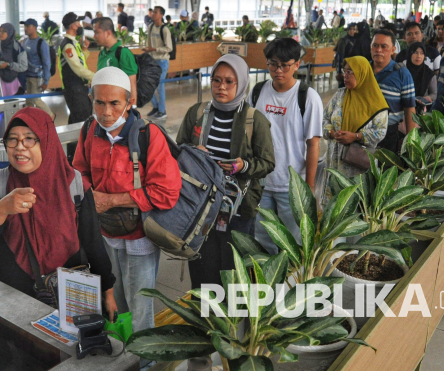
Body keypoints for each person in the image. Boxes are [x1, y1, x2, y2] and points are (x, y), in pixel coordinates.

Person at [0, 108, 116, 312]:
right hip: (15, 296)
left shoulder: (74, 184)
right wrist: (2, 209)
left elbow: (93, 244)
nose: (20, 147)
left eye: (29, 139)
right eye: (13, 140)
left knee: (70, 342)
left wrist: (108, 292)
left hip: (71, 296)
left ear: (47, 141)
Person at [72, 67, 181, 339]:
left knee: (140, 308)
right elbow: (78, 171)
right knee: (116, 304)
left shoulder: (148, 136)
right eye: (99, 102)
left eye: (114, 103)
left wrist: (112, 200)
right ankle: (123, 360)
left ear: (129, 102)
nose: (106, 111)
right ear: (91, 99)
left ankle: (146, 367)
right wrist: (89, 194)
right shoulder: (89, 131)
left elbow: (166, 192)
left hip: (139, 238)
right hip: (106, 236)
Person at [176, 55, 275, 289]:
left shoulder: (254, 120)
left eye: (229, 82)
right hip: (201, 209)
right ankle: (204, 319)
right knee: (202, 267)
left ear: (241, 83)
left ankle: (232, 323)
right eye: (217, 80)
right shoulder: (197, 113)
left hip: (238, 211)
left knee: (233, 270)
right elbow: (177, 151)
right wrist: (192, 151)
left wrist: (244, 166)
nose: (222, 87)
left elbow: (267, 162)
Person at [250, 38, 323, 255]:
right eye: (273, 64)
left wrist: (308, 187)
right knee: (262, 243)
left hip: (292, 188)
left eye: (284, 65)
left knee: (291, 245)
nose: (278, 70)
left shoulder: (307, 97)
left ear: (297, 64)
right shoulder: (258, 92)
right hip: (262, 184)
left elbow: (313, 144)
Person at [320, 55, 388, 202]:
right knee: (333, 205)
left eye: (350, 72)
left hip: (357, 164)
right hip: (334, 159)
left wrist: (356, 136)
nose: (346, 76)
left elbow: (381, 130)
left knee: (354, 204)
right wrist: (331, 132)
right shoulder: (340, 95)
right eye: (345, 71)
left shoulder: (375, 102)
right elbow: (325, 117)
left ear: (362, 73)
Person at [371, 29, 416, 153]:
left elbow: (409, 110)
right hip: (362, 134)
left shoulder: (402, 74)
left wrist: (410, 143)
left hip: (388, 135)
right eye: (375, 45)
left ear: (393, 50)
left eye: (384, 46)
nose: (378, 50)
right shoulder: (364, 70)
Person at [59, 13, 95, 155]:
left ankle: (71, 155)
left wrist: (85, 50)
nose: (80, 25)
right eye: (78, 23)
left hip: (79, 88)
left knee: (75, 122)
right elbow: (77, 69)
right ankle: (77, 156)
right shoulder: (67, 45)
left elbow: (80, 62)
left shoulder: (74, 43)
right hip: (74, 89)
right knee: (81, 123)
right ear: (73, 25)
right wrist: (96, 77)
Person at [93, 16, 138, 107]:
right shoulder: (102, 53)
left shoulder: (123, 53)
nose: (94, 37)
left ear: (108, 33)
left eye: (97, 32)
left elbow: (132, 84)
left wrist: (133, 108)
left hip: (118, 106)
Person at [141, 6, 172, 120]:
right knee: (148, 85)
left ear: (161, 15)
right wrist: (148, 51)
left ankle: (162, 111)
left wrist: (154, 49)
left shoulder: (164, 30)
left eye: (155, 12)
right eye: (153, 12)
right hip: (153, 60)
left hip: (163, 61)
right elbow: (149, 44)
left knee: (160, 86)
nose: (153, 14)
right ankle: (156, 107)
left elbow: (169, 48)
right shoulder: (150, 27)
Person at [21, 18, 54, 118]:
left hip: (37, 77)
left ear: (34, 28)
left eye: (27, 26)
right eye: (24, 26)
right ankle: (30, 120)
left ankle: (50, 115)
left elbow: (46, 63)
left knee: (36, 100)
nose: (25, 28)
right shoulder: (25, 41)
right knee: (29, 101)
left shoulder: (41, 43)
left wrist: (46, 81)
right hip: (27, 76)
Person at [0, 23, 28, 98]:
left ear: (10, 32)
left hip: (16, 83)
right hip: (1, 83)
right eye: (0, 31)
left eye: (4, 31)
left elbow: (23, 66)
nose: (1, 34)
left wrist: (9, 65)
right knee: (1, 107)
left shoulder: (17, 48)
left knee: (15, 107)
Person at [405, 42, 437, 113]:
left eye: (422, 53)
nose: (419, 56)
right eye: (415, 52)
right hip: (402, 109)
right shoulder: (403, 71)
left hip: (421, 112)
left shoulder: (429, 74)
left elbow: (434, 94)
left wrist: (427, 98)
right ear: (410, 54)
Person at [334, 23, 358, 87]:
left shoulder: (357, 40)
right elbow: (340, 57)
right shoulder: (343, 40)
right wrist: (339, 71)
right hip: (344, 68)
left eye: (354, 29)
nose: (352, 31)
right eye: (350, 29)